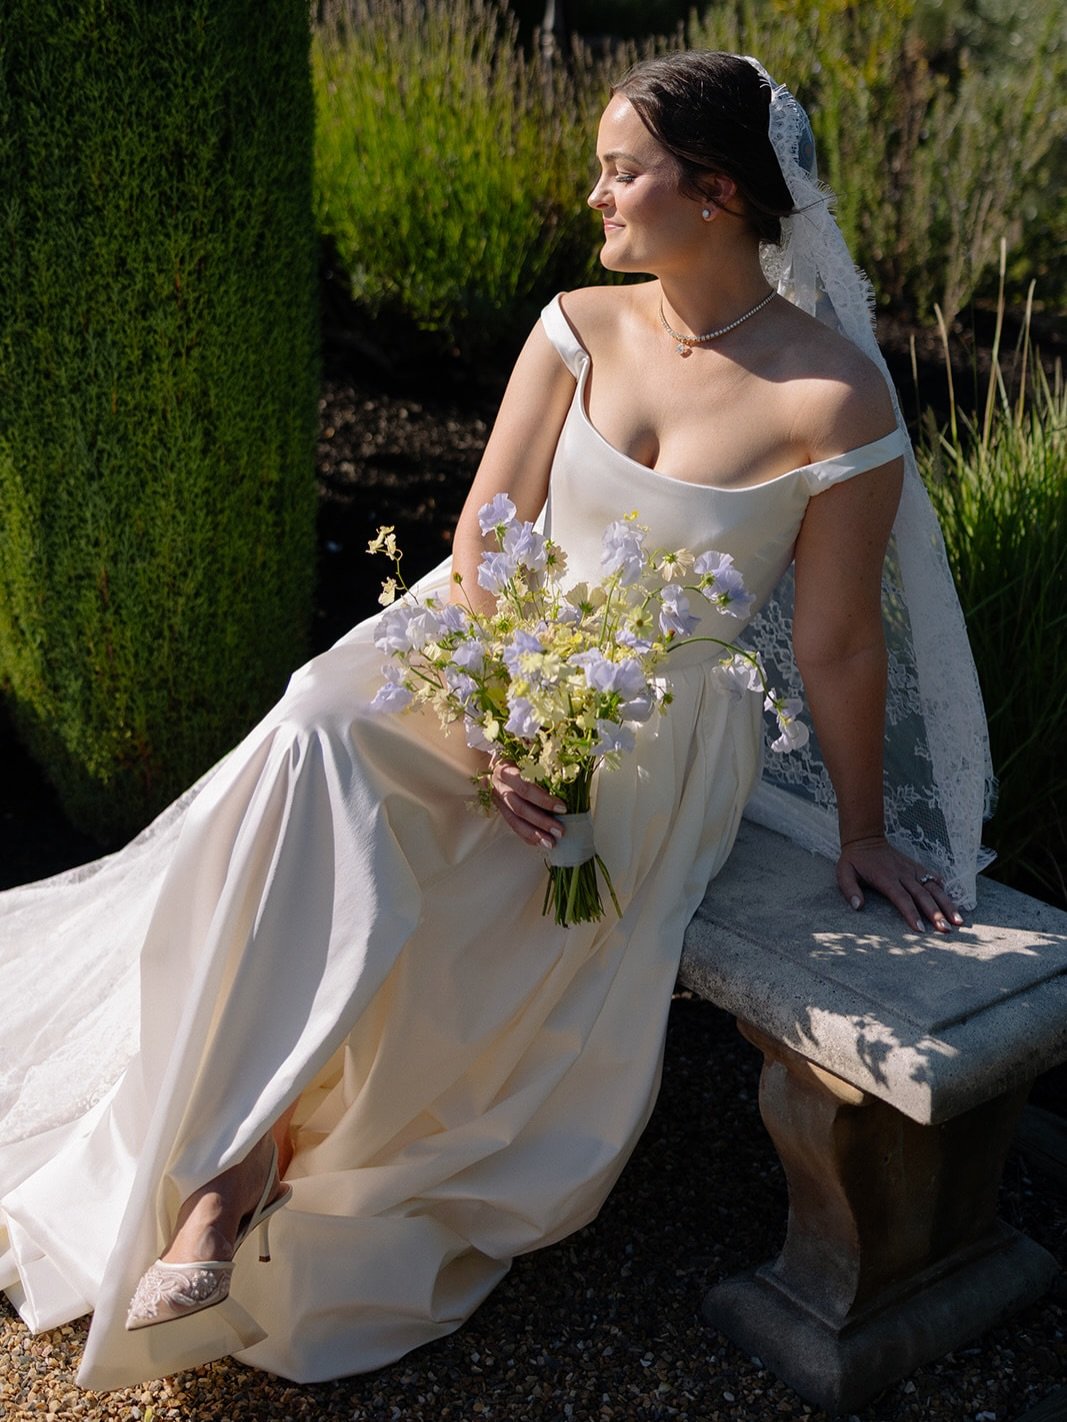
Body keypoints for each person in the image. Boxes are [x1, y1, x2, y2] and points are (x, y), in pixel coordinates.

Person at [0, 51, 990, 1391]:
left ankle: (269, 1156)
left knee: (468, 863)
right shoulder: (578, 323)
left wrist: (861, 831)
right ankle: (226, 1167)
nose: (595, 196)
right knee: (316, 722)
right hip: (484, 646)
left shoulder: (833, 400)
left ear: (714, 191)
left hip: (645, 727)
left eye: (622, 172)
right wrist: (497, 714)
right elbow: (484, 535)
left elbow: (839, 641)